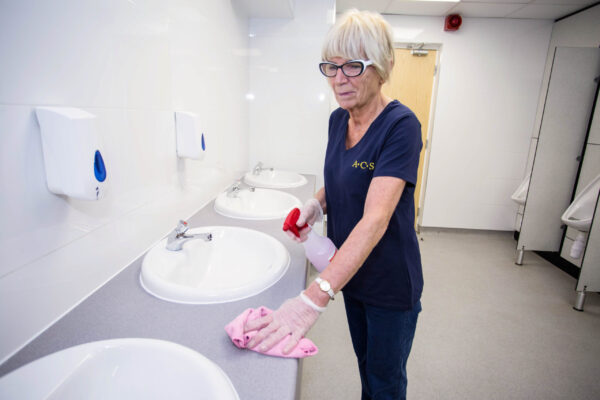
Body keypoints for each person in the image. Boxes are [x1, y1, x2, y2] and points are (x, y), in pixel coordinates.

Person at [244, 9, 423, 400]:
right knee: (365, 367)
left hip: (390, 282)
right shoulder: (338, 120)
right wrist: (316, 204)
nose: (339, 78)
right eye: (331, 66)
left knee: (385, 383)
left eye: (353, 66)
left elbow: (376, 219)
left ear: (383, 67)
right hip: (349, 273)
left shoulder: (400, 126)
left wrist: (313, 296)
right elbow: (343, 177)